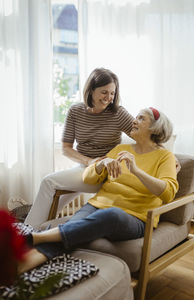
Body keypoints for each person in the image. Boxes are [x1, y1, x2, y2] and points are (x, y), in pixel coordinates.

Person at [18, 107, 179, 274]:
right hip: (97, 206)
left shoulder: (165, 157)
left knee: (111, 215)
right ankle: (25, 263)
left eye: (141, 118)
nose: (134, 120)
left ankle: (35, 237)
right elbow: (88, 178)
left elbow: (168, 193)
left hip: (134, 217)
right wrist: (102, 164)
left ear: (155, 127)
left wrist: (136, 171)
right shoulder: (120, 150)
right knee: (74, 228)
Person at [25, 68, 134, 226]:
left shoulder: (118, 113)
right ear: (91, 90)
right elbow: (66, 148)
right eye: (104, 92)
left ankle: (27, 231)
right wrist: (89, 161)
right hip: (84, 167)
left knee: (48, 182)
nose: (109, 98)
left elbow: (143, 137)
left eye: (112, 93)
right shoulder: (76, 111)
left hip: (105, 172)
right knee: (53, 202)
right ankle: (39, 231)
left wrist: (166, 155)